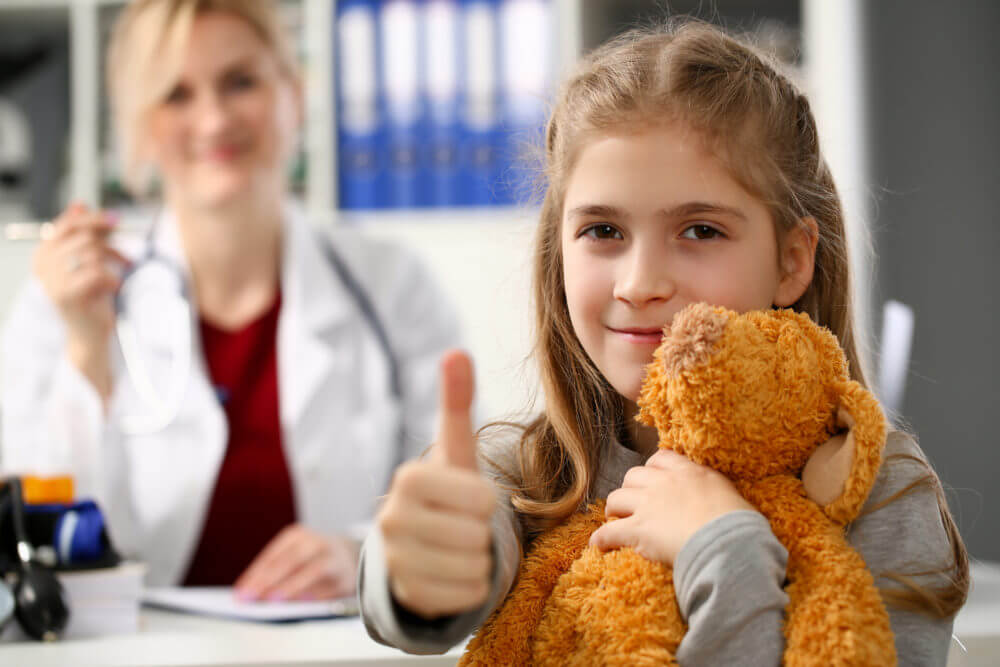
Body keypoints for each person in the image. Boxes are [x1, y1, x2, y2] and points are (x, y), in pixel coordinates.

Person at [359, 20, 969, 664]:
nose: (641, 282)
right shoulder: (524, 474)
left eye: (701, 231)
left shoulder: (879, 494)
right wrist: (425, 573)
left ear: (792, 261)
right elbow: (422, 595)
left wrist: (725, 551)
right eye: (602, 231)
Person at [0, 0, 461, 601]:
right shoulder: (66, 300)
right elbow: (35, 547)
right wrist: (87, 349)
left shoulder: (390, 283)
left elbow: (458, 501)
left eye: (240, 82)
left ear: (292, 92)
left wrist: (364, 553)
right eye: (176, 94)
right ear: (136, 124)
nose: (214, 120)